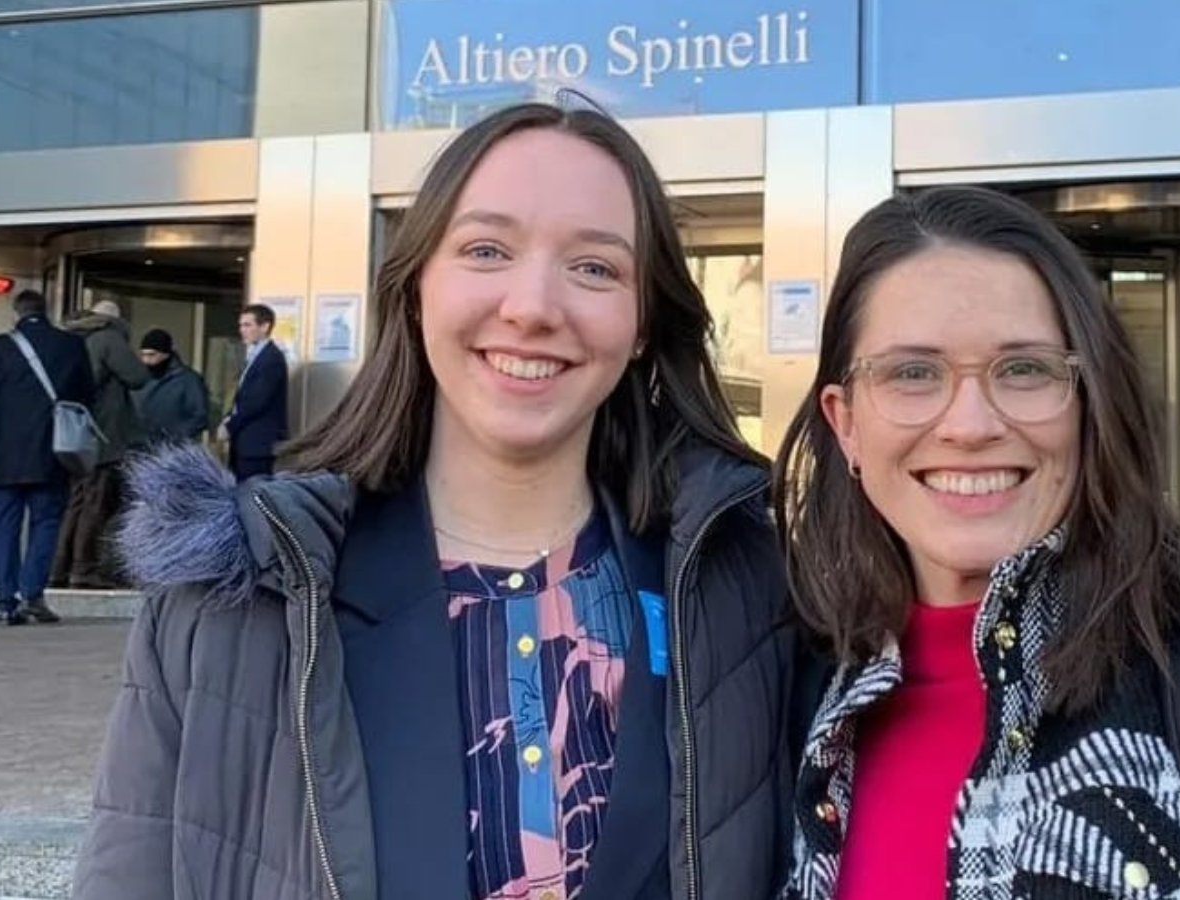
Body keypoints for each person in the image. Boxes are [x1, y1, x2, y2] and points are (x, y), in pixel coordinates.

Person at [74, 102, 797, 900]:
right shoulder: (239, 596)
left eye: (595, 267)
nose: (531, 306)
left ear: (641, 325)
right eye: (486, 250)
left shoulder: (745, 592)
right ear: (415, 289)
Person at [773, 187, 1180, 900]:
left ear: (1090, 404)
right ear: (845, 425)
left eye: (1024, 369)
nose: (969, 424)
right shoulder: (780, 686)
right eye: (911, 373)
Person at [0, 288, 94, 625]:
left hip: (5, 454)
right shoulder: (71, 345)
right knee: (47, 522)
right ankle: (33, 595)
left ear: (16, 313)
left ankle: (6, 602)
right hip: (52, 450)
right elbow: (86, 395)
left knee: (4, 526)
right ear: (46, 310)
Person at [53, 299, 150, 589]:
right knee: (96, 503)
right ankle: (84, 568)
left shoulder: (71, 337)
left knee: (75, 502)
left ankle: (59, 567)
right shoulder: (108, 338)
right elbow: (138, 376)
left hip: (73, 434)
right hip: (103, 435)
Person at [220, 302, 288, 480]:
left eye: (247, 325)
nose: (242, 330)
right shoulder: (255, 356)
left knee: (251, 494)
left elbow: (256, 401)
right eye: (240, 325)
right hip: (245, 442)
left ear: (265, 327)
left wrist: (229, 426)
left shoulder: (271, 359)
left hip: (257, 445)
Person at [133, 327, 209, 445]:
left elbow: (199, 417)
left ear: (166, 354)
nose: (146, 360)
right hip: (140, 449)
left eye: (152, 355)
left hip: (173, 452)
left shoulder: (189, 380)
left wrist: (175, 439)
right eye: (143, 355)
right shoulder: (139, 379)